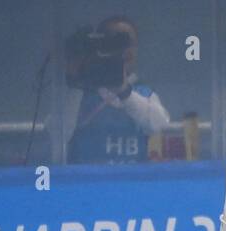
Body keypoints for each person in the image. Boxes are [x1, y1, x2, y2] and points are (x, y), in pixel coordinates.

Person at [65, 16, 170, 164]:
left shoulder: (144, 94)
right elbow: (58, 133)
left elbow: (160, 124)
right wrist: (76, 77)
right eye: (116, 43)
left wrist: (125, 92)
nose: (125, 51)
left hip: (130, 182)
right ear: (100, 47)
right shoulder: (81, 93)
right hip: (86, 182)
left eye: (130, 44)